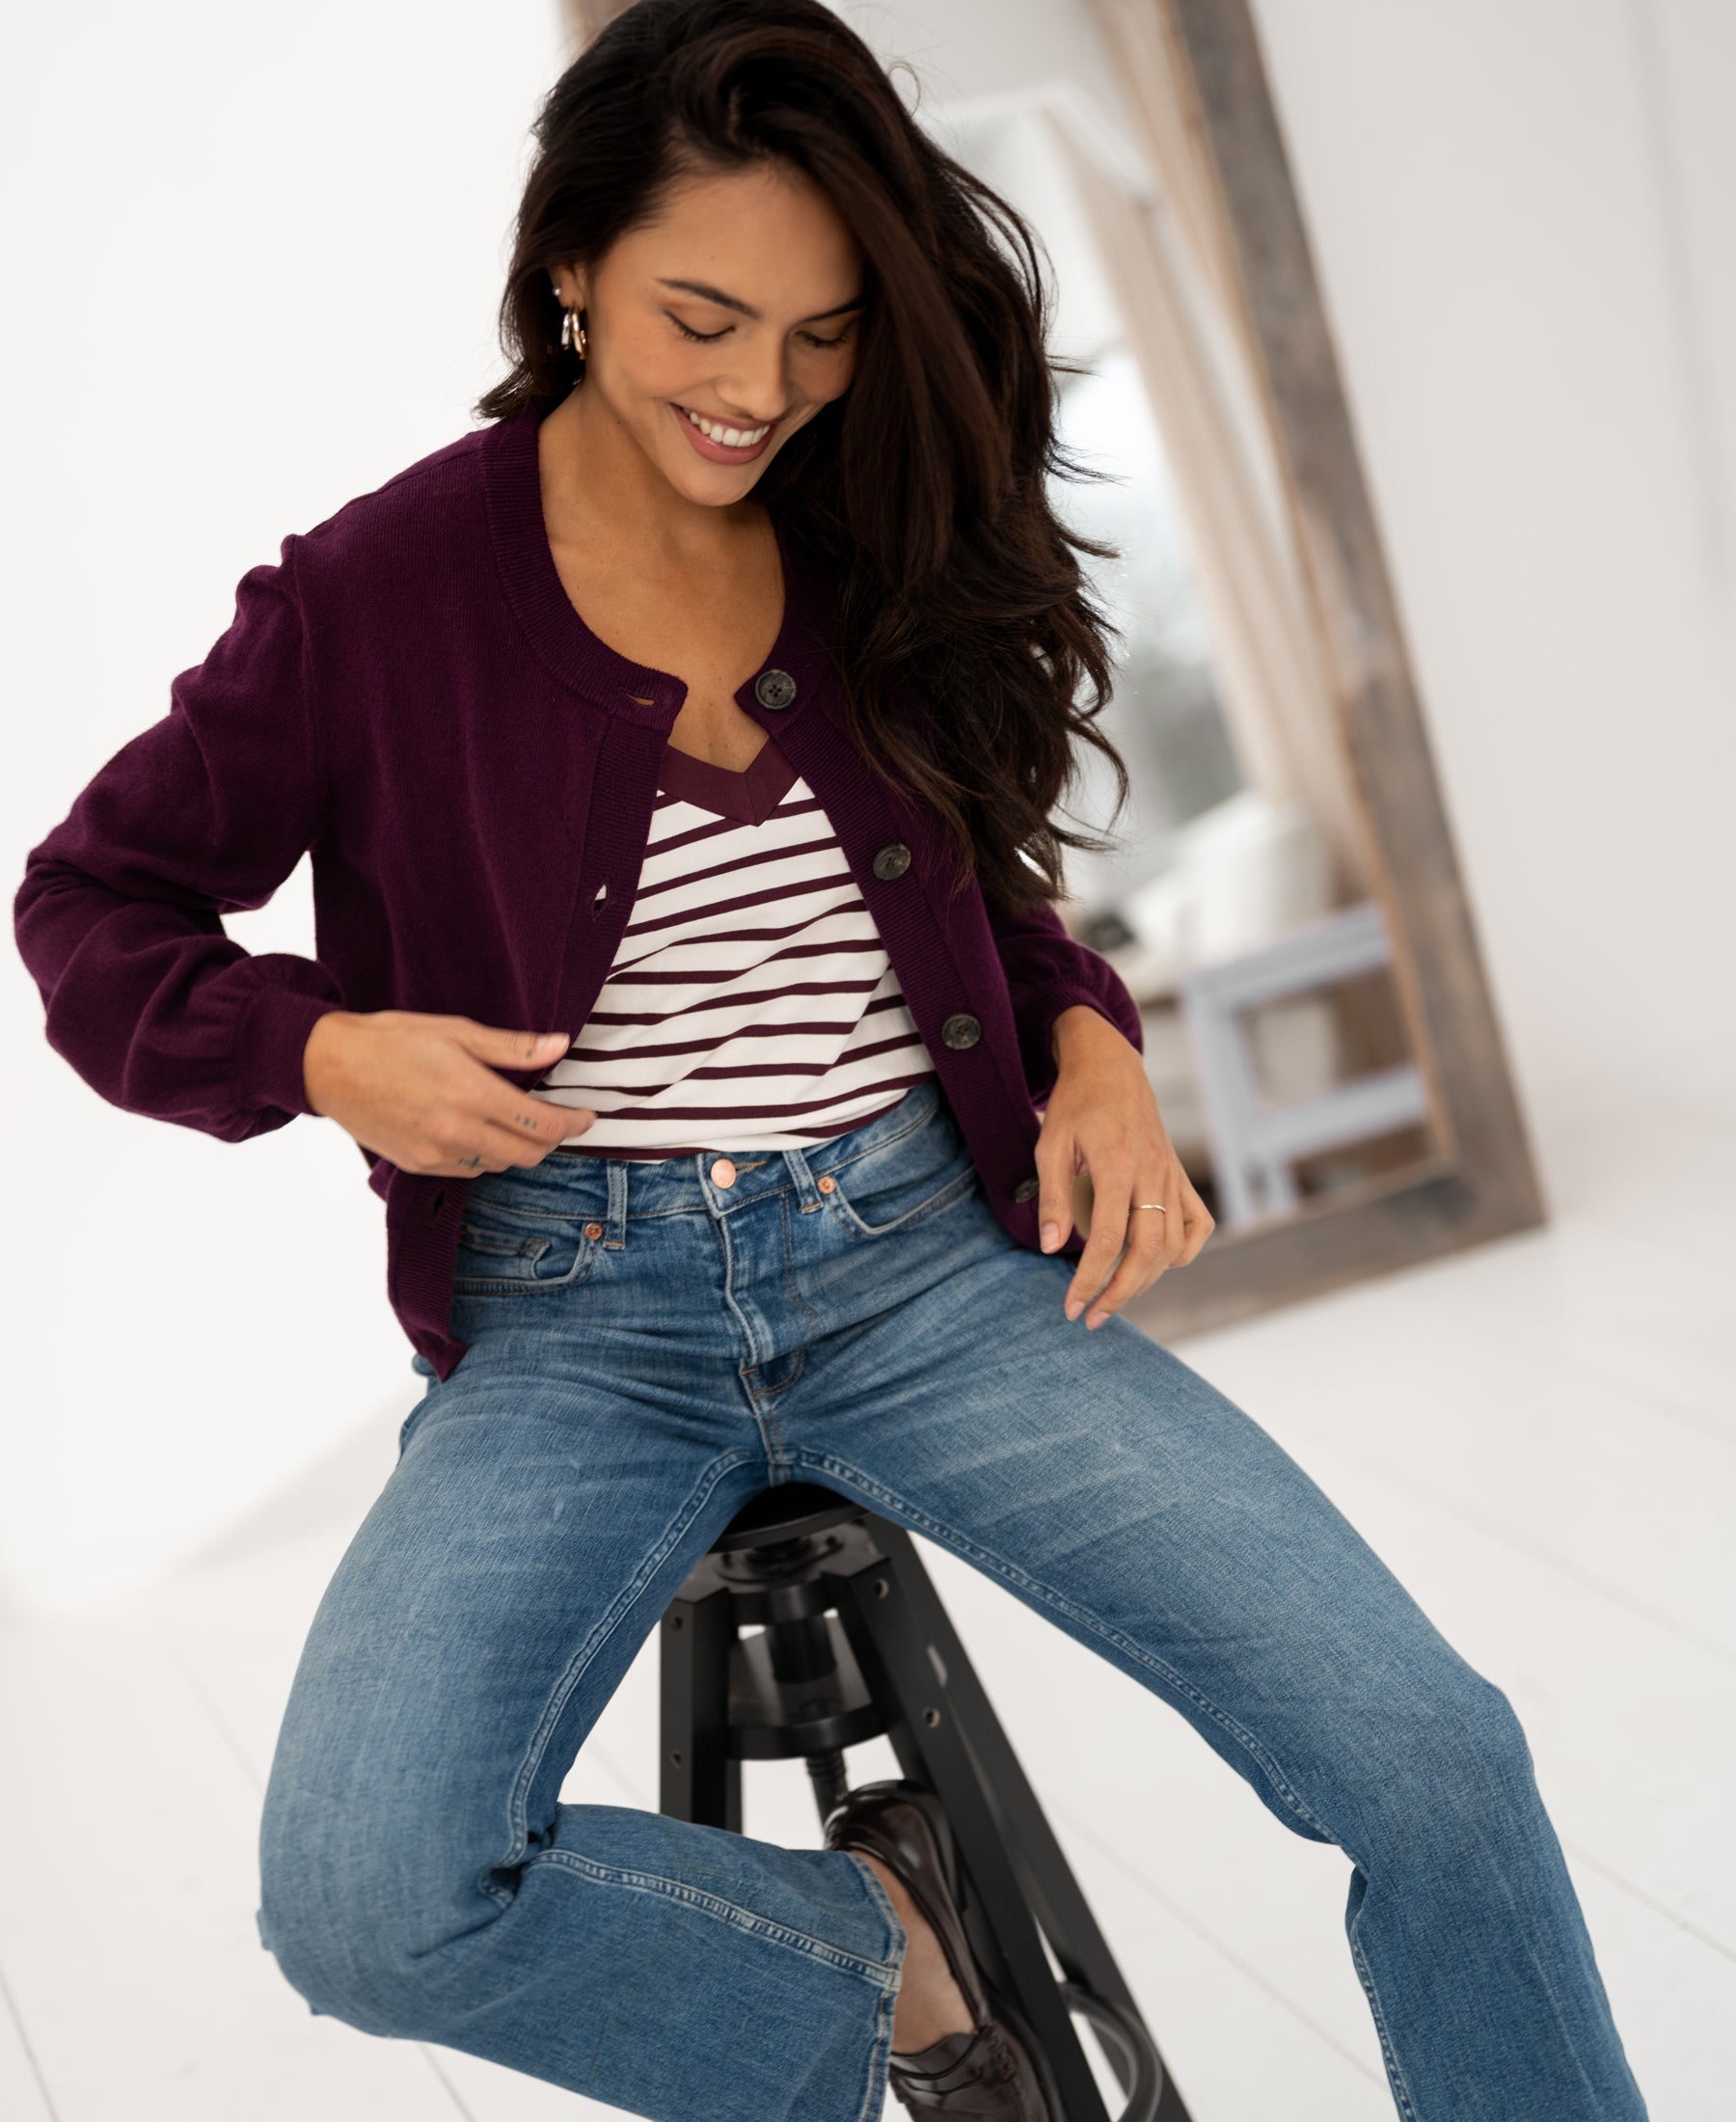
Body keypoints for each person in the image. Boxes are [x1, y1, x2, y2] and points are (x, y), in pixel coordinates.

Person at [14, 4, 1647, 2117]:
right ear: (573, 262)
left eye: (821, 332)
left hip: (923, 1267)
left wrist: (1098, 1046)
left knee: (1439, 1759)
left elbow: (996, 895)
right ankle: (872, 1954)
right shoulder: (376, 594)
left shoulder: (870, 533)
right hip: (571, 1315)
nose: (758, 389)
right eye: (706, 315)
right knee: (367, 1897)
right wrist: (322, 1049)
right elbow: (88, 903)